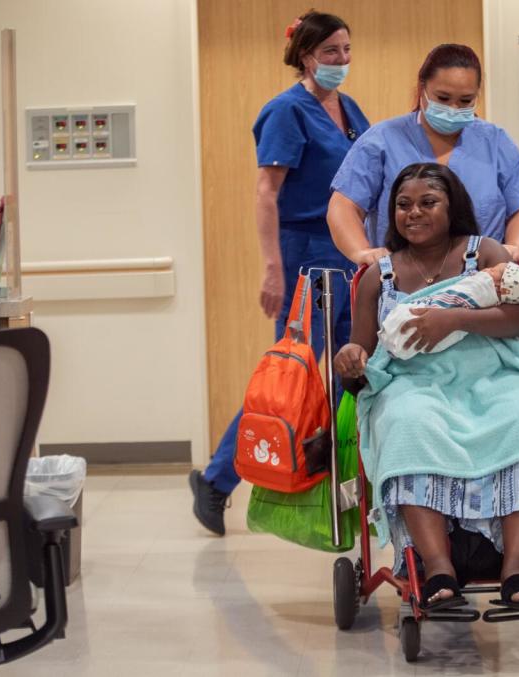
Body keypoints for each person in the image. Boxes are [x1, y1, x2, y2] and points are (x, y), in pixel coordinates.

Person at [335, 163, 519, 610]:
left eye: (427, 202)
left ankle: (517, 571)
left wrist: (452, 319)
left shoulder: (486, 254)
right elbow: (362, 351)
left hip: (495, 375)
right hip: (413, 384)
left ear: (452, 205)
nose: (413, 213)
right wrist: (350, 359)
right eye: (403, 205)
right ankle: (439, 570)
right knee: (404, 423)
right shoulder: (381, 275)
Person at [189, 10, 369, 535]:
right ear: (306, 55)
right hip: (305, 254)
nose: (341, 61)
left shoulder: (347, 107)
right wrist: (273, 269)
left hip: (346, 249)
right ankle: (219, 479)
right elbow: (266, 193)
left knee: (346, 371)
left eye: (347, 50)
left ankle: (331, 484)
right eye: (331, 52)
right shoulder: (286, 112)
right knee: (294, 374)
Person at [327, 43, 519, 267]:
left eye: (465, 101)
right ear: (422, 89)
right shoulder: (382, 140)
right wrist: (363, 253)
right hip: (401, 284)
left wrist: (515, 249)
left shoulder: (495, 142)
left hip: (483, 281)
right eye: (443, 98)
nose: (453, 108)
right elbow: (344, 206)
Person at [377, 260, 519, 359]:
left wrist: (455, 319)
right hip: (412, 377)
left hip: (482, 371)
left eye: (493, 271)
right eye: (403, 205)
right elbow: (360, 357)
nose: (487, 271)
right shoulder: (380, 270)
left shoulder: (486, 250)